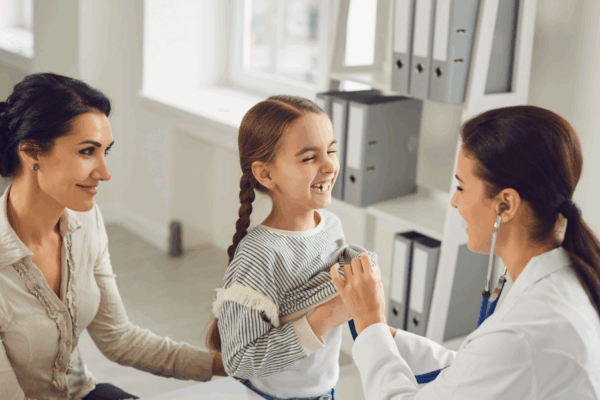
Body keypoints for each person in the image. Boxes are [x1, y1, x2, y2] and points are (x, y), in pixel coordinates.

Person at [331, 105, 600, 399]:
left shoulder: (524, 333)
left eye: (461, 187)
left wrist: (370, 324)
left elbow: (494, 362)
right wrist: (380, 332)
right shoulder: (568, 277)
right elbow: (475, 372)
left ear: (505, 205)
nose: (454, 202)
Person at [0, 73, 227, 400]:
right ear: (32, 153)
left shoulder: (86, 219)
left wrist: (228, 365)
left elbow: (119, 338)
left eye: (106, 151)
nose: (105, 173)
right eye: (87, 151)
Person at [206, 95, 379, 400]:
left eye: (332, 151)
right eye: (309, 157)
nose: (329, 165)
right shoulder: (260, 255)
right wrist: (324, 317)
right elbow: (239, 360)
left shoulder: (330, 225)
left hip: (326, 390)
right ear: (266, 174)